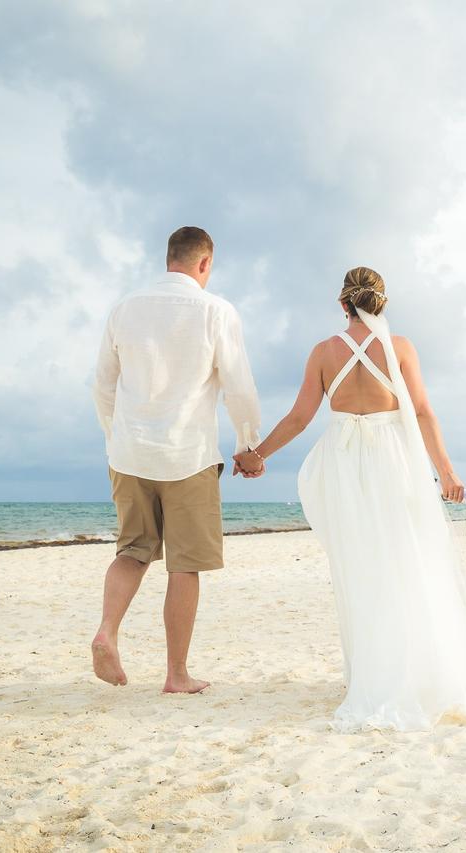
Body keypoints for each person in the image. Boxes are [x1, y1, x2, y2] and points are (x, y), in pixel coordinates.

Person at [236, 267, 466, 731]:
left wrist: (255, 455)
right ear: (381, 304)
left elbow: (300, 418)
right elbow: (422, 410)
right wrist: (446, 471)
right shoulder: (400, 348)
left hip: (345, 464)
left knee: (359, 565)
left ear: (342, 304)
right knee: (406, 558)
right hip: (393, 461)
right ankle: (409, 668)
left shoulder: (323, 352)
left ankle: (369, 673)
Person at [90, 226, 261, 694]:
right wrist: (248, 444)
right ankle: (177, 674)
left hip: (129, 454)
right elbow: (238, 387)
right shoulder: (215, 310)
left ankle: (107, 630)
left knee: (132, 551)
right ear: (204, 264)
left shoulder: (124, 308)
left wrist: (116, 437)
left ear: (169, 259)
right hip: (188, 455)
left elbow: (102, 385)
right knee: (185, 565)